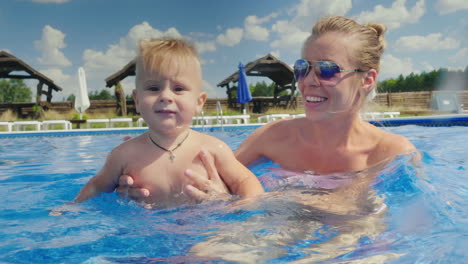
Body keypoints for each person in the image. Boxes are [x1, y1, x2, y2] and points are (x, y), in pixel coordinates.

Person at [118, 16, 419, 202]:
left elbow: (386, 216)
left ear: (367, 79)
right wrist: (146, 180)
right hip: (274, 231)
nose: (309, 82)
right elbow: (209, 179)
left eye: (327, 70)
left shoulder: (392, 153)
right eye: (303, 68)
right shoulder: (272, 137)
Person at [73, 38, 264, 208]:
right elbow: (97, 185)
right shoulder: (123, 155)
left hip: (205, 230)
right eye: (153, 88)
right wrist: (71, 207)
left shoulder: (213, 149)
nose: (165, 96)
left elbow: (246, 181)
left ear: (199, 102)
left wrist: (241, 205)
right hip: (147, 234)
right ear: (137, 100)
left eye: (178, 88)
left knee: (202, 250)